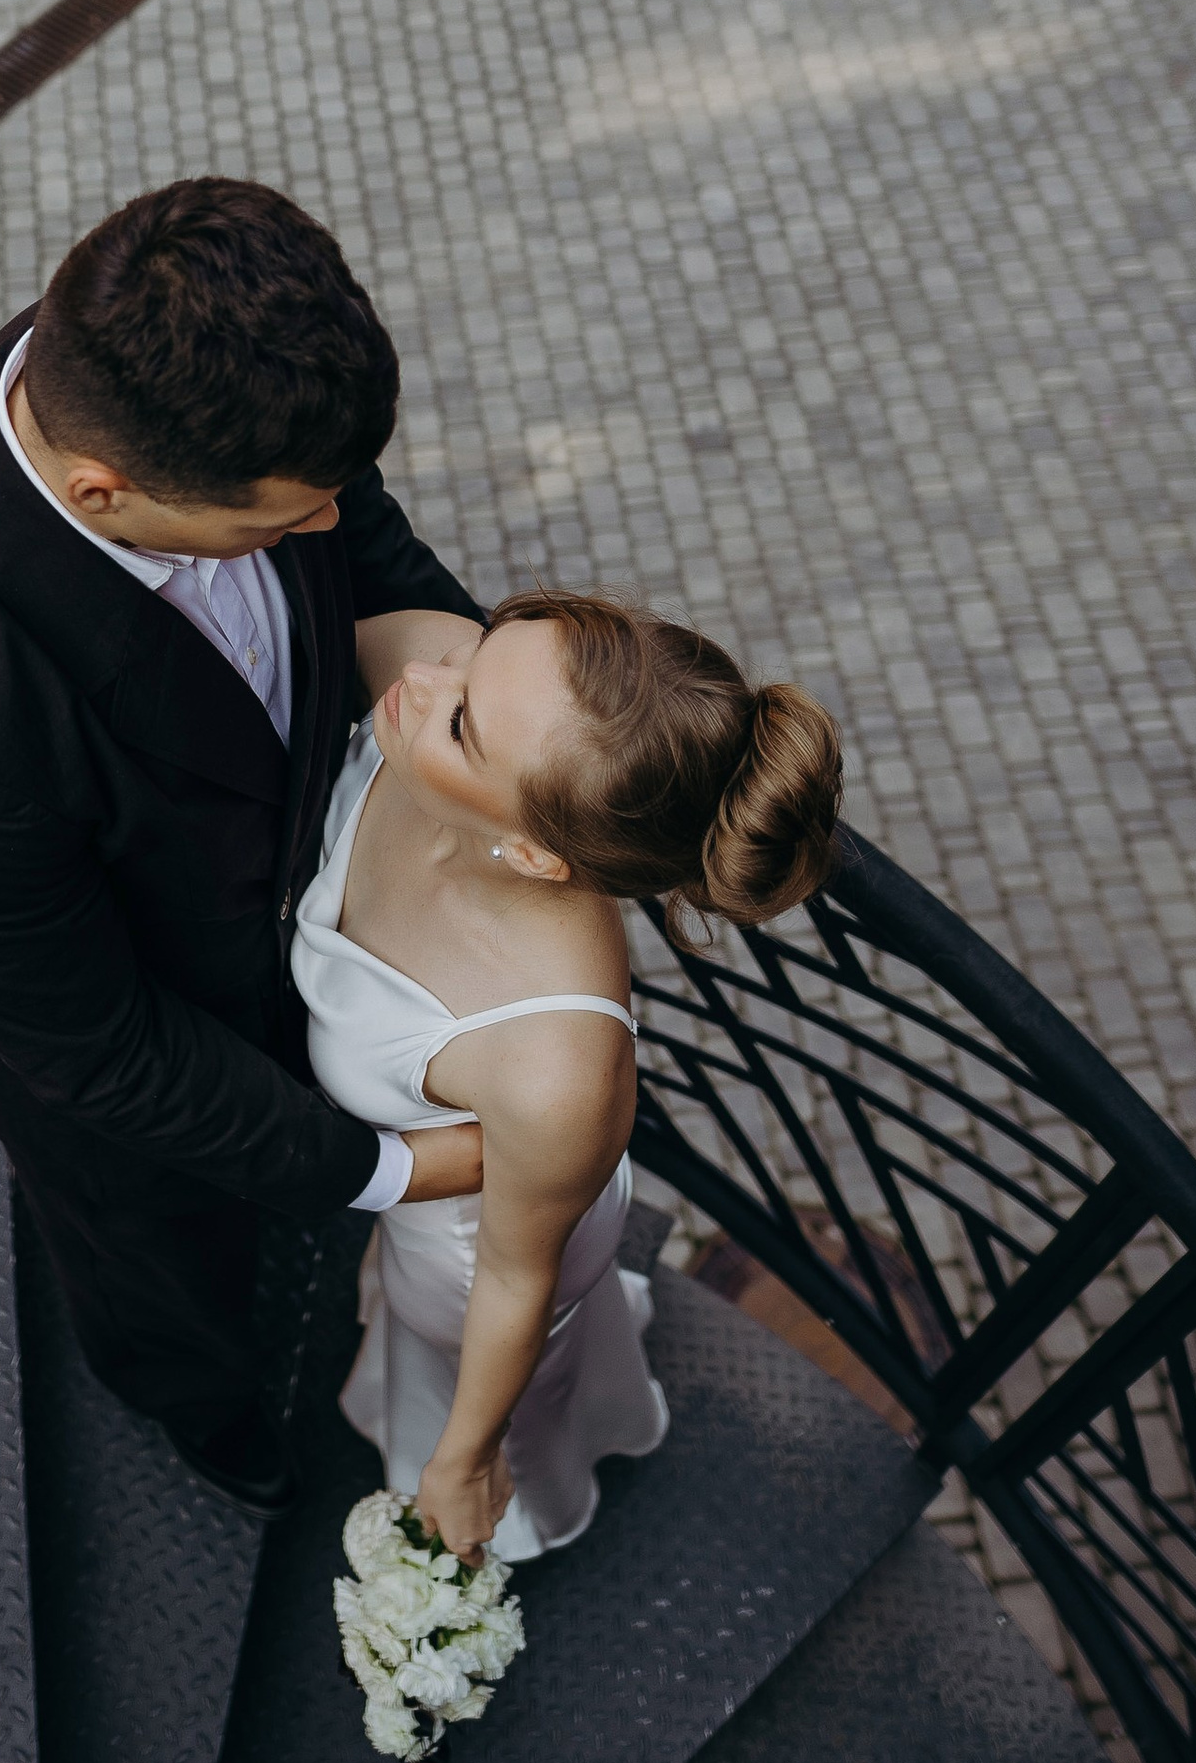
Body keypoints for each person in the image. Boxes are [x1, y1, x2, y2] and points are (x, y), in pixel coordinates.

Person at [0, 180, 488, 1515]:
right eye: (269, 525)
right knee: (166, 1283)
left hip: (309, 940)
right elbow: (102, 1051)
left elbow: (369, 553)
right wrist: (392, 1169)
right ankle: (220, 1441)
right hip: (144, 1065)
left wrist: (503, 713)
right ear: (100, 491)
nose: (316, 530)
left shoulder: (169, 368)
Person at [298, 592, 843, 1559]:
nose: (424, 677)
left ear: (535, 855)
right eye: (481, 655)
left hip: (474, 1266)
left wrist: (463, 1464)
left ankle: (537, 1503)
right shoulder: (434, 680)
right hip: (431, 1204)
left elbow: (516, 1278)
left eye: (462, 724)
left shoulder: (556, 1069)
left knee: (482, 1393)